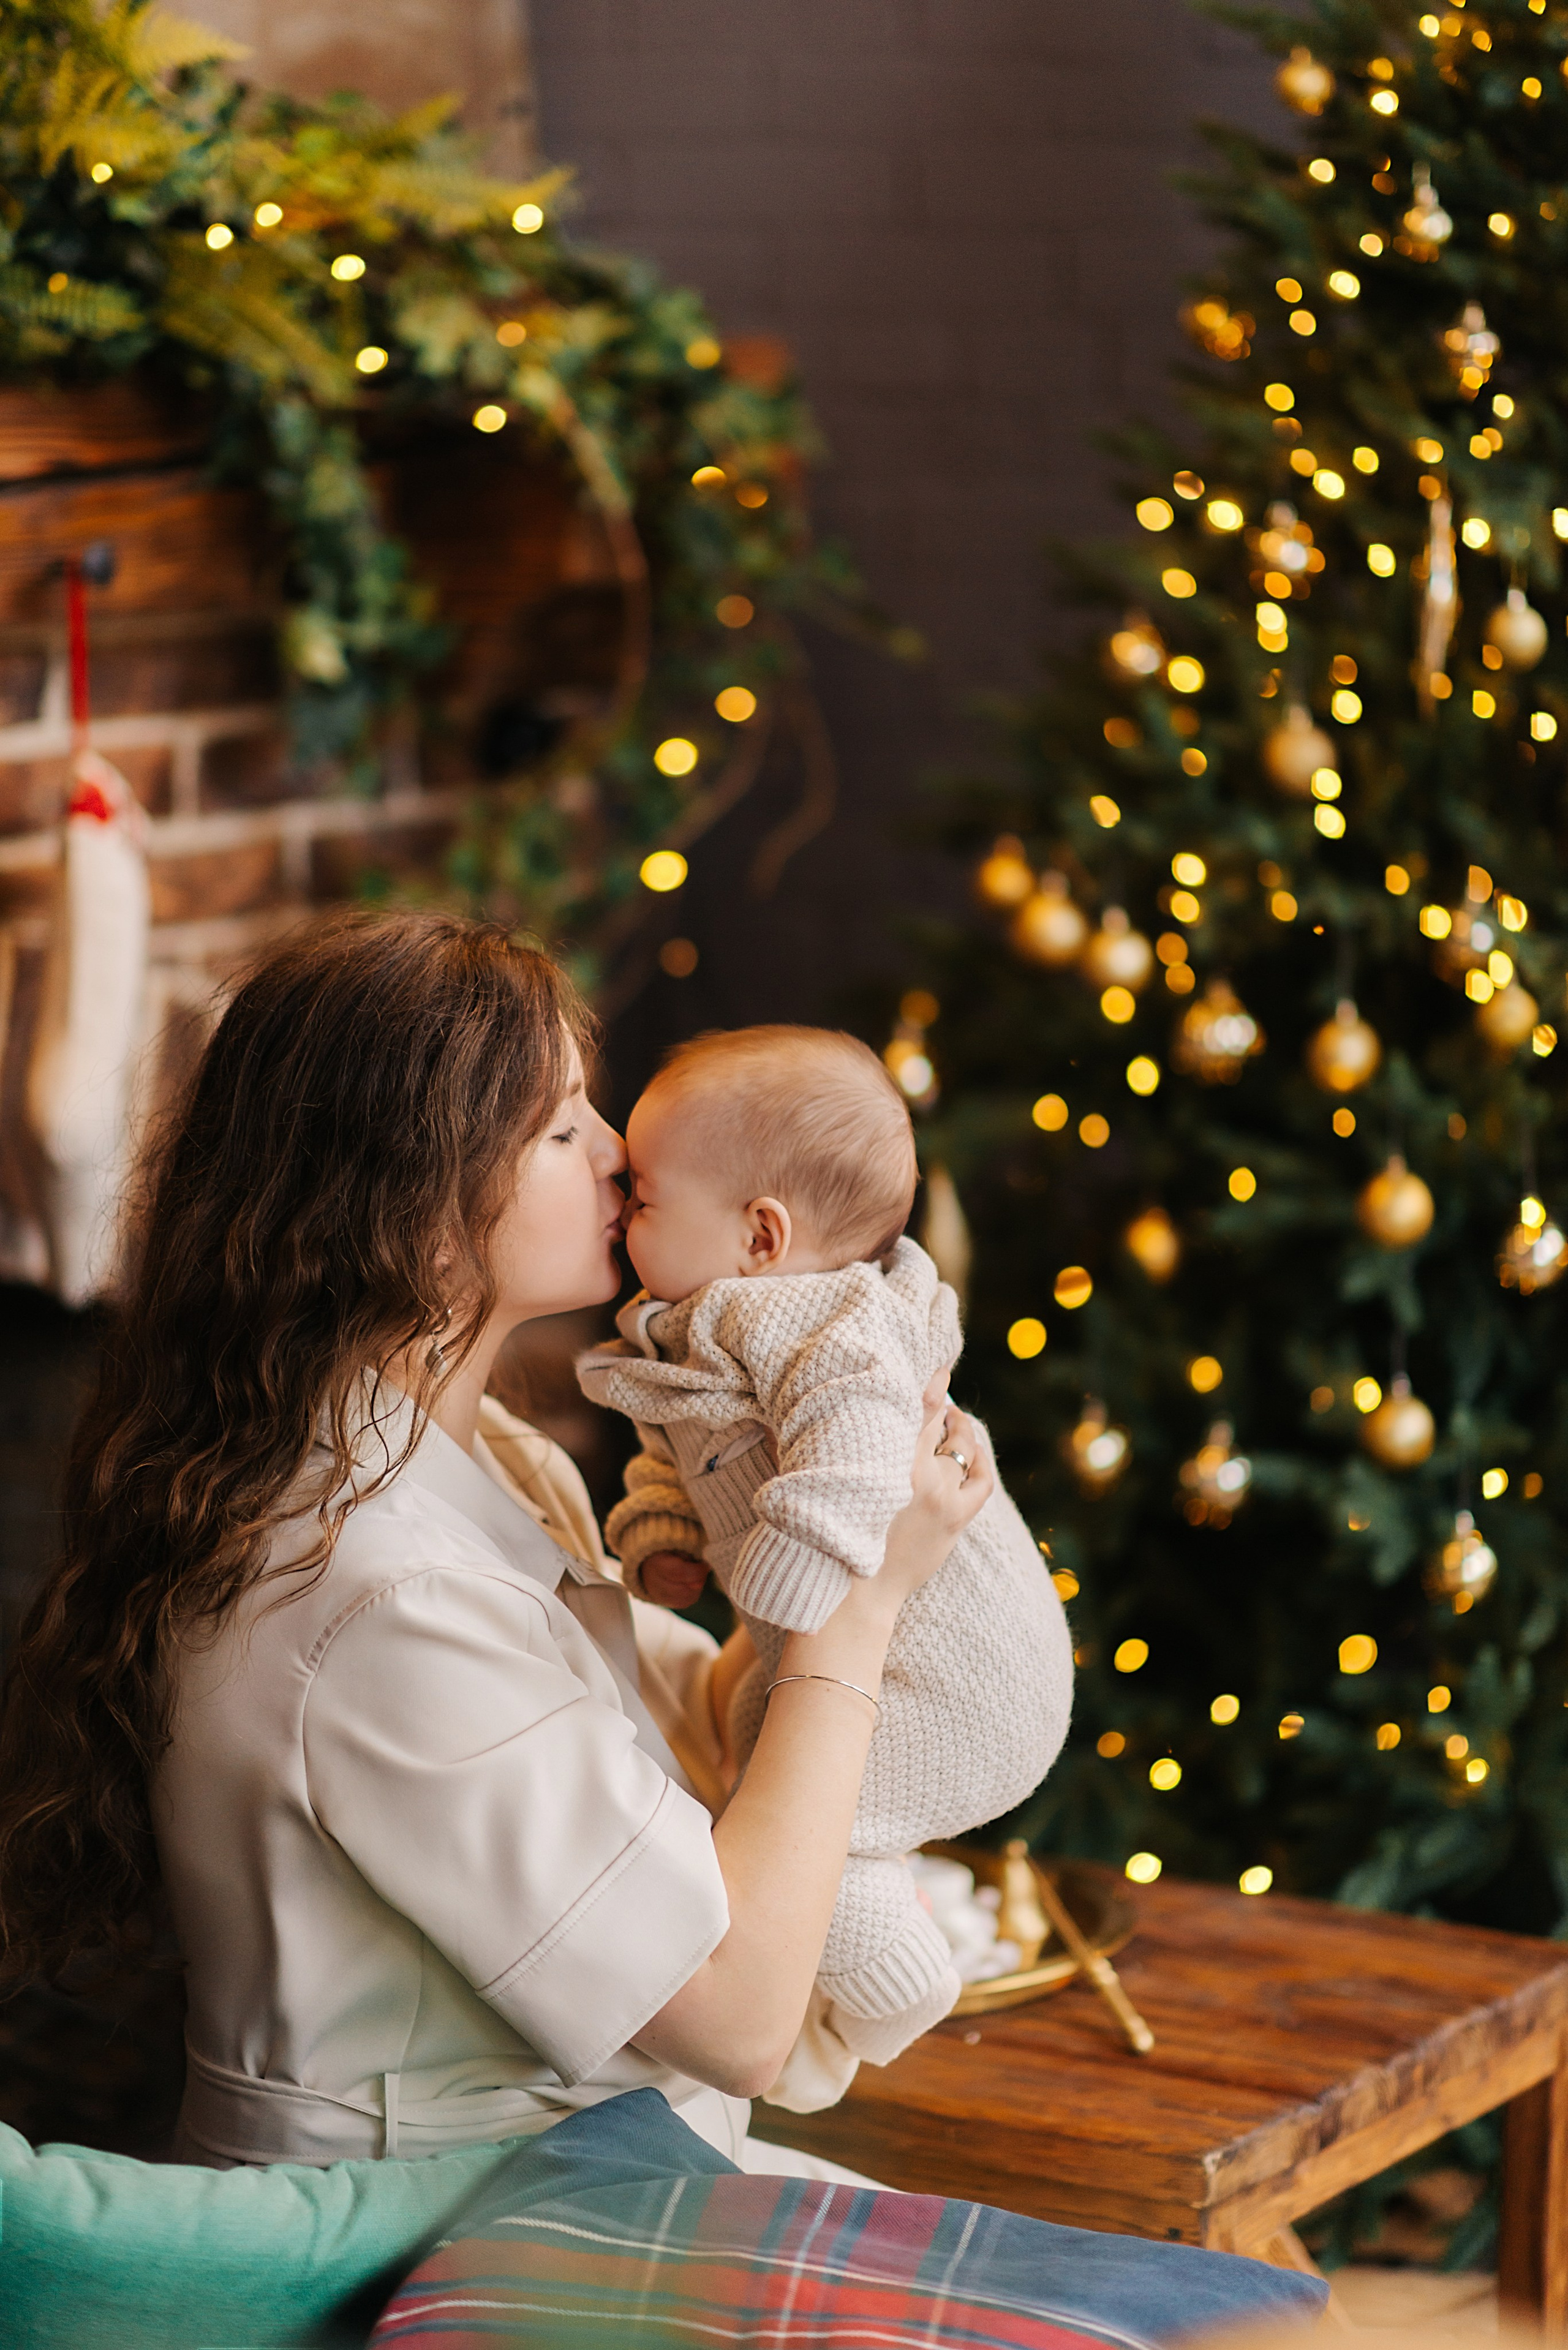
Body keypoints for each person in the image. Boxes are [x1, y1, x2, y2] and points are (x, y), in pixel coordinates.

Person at [0, 913, 989, 2170]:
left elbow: (693, 1749)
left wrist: (813, 1505)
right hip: (424, 2230)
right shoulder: (378, 1591)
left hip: (570, 2174)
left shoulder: (482, 1462)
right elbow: (738, 2016)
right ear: (416, 1208)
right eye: (563, 1128)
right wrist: (859, 1602)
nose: (622, 1152)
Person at [578, 1025, 1073, 2111]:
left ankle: (904, 1988)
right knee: (762, 1764)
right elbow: (675, 1450)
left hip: (964, 1678)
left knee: (813, 1836)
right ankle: (885, 1952)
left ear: (761, 1234)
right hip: (866, 1653)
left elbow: (855, 1456)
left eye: (647, 1196)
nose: (620, 1200)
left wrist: (794, 1586)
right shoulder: (696, 1326)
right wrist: (661, 1534)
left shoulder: (824, 1324)